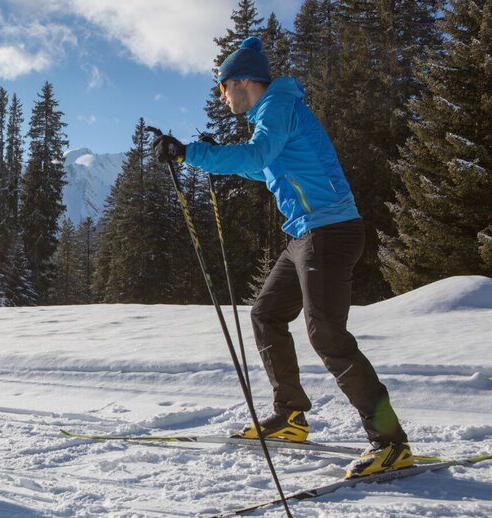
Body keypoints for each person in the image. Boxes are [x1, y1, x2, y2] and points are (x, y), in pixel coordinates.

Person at [152, 37, 412, 478]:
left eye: (222, 87)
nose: (221, 96)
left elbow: (256, 155)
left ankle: (391, 443)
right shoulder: (269, 115)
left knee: (327, 335)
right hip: (306, 234)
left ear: (242, 81)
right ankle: (290, 414)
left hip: (329, 230)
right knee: (266, 314)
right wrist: (205, 157)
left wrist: (191, 152)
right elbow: (260, 166)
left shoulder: (277, 105)